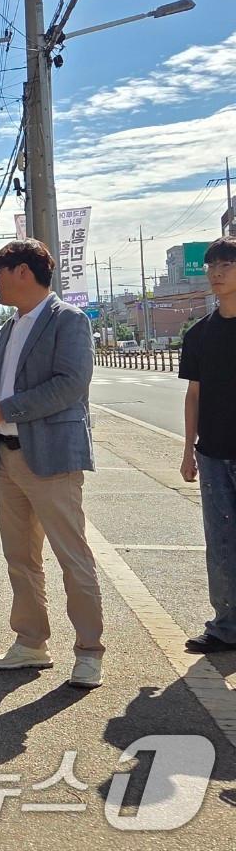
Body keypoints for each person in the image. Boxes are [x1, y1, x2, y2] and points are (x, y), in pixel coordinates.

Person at [0, 239, 103, 689]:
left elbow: (71, 384)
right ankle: (31, 642)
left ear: (24, 273)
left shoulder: (67, 320)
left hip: (50, 456)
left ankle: (89, 651)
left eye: (0, 273)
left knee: (73, 557)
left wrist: (6, 409)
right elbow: (6, 385)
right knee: (20, 557)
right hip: (8, 456)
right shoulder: (11, 326)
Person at [179, 236, 236, 654]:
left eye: (226, 265)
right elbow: (194, 393)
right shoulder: (199, 333)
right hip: (213, 452)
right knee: (219, 541)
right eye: (211, 265)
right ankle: (225, 626)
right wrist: (187, 450)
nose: (215, 273)